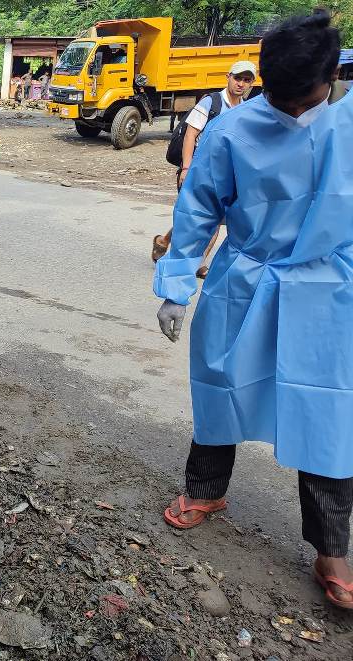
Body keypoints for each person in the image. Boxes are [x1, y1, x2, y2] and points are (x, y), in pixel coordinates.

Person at [155, 13, 353, 610]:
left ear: (332, 75)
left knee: (328, 410)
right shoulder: (232, 129)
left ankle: (332, 548)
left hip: (329, 288)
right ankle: (207, 488)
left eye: (304, 97)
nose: (291, 110)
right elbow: (197, 209)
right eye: (279, 96)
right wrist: (173, 283)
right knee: (219, 382)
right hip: (246, 277)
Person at [151, 60, 257, 274]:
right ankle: (166, 243)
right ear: (228, 77)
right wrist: (186, 168)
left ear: (252, 84)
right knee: (193, 217)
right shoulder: (211, 103)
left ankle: (196, 263)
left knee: (213, 219)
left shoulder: (246, 109)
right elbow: (191, 134)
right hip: (198, 170)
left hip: (224, 174)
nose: (241, 84)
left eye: (246, 80)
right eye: (237, 78)